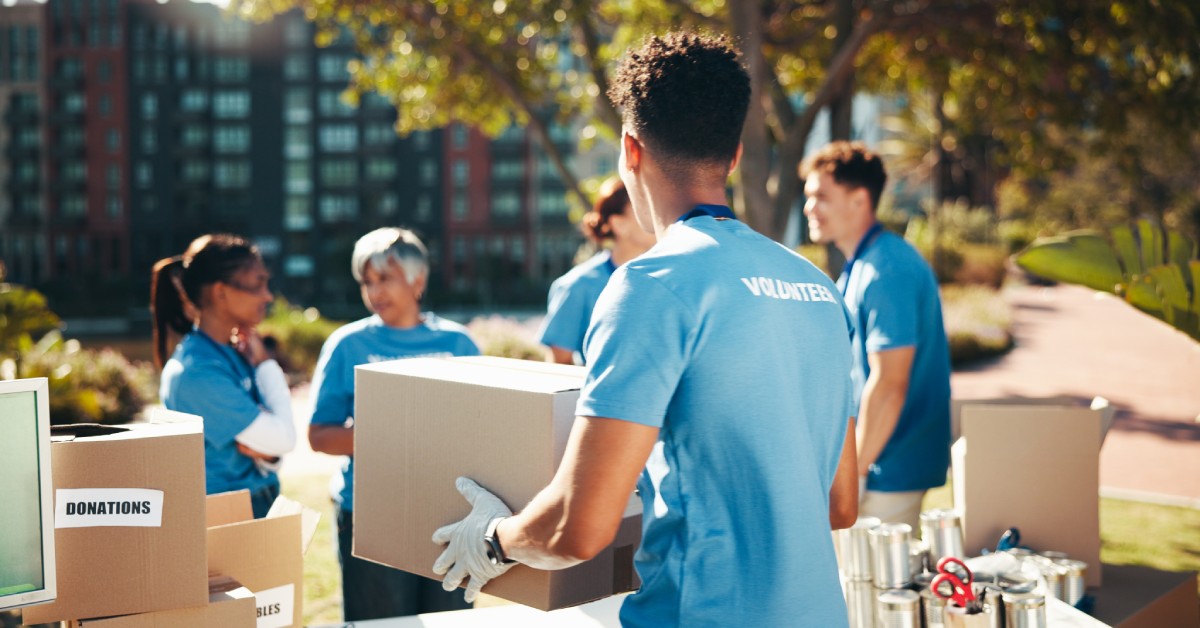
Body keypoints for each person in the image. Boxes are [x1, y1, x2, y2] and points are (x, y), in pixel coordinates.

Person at [430, 32, 860, 626]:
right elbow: (840, 504)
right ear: (734, 156)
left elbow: (577, 528)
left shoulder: (650, 285)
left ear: (630, 150)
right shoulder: (819, 289)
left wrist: (493, 538)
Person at [308, 227, 478, 620]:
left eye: (385, 278)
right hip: (370, 512)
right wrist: (395, 435)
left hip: (450, 515)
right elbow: (320, 436)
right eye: (366, 281)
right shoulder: (346, 344)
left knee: (448, 620)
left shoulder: (460, 345)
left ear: (418, 279)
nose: (374, 291)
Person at [801, 141, 952, 529]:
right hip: (877, 466)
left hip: (886, 472)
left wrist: (858, 472)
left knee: (871, 589)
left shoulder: (888, 268)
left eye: (821, 196)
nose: (809, 208)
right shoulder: (863, 265)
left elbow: (889, 383)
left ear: (859, 200)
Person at [153, 234, 296, 519]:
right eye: (258, 284)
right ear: (221, 293)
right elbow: (284, 439)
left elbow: (271, 449)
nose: (268, 296)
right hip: (227, 512)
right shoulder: (196, 372)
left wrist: (268, 455)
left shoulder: (232, 352)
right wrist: (266, 365)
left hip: (256, 501)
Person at [537, 177, 656, 364]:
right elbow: (559, 364)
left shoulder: (665, 278)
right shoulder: (577, 286)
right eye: (646, 209)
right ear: (619, 224)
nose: (658, 217)